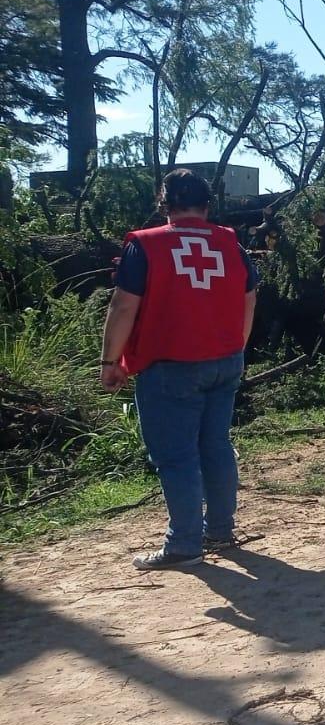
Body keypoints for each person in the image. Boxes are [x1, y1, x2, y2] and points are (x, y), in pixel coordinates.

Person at [100, 169, 258, 571]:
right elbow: (249, 297)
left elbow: (123, 306)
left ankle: (184, 544)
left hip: (170, 365)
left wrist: (111, 361)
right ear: (207, 205)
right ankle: (219, 530)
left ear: (164, 203)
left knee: (176, 457)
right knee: (216, 446)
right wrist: (235, 346)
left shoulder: (147, 245)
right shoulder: (230, 243)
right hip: (225, 361)